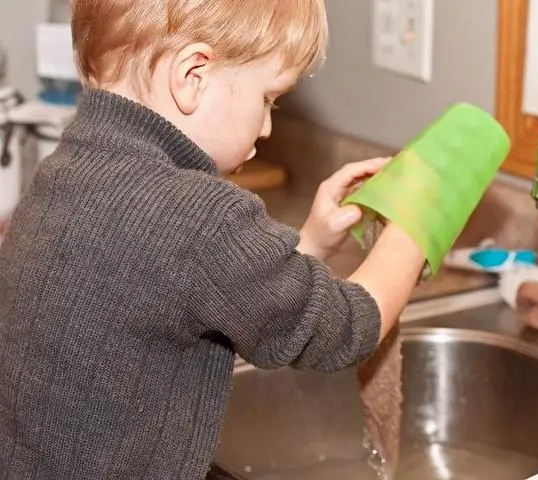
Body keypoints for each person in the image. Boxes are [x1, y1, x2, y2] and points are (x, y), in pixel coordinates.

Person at [0, 0, 426, 478]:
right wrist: (412, 230)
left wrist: (310, 242)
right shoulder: (202, 216)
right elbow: (344, 329)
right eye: (268, 98)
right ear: (192, 77)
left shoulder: (63, 172)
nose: (267, 127)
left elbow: (207, 294)